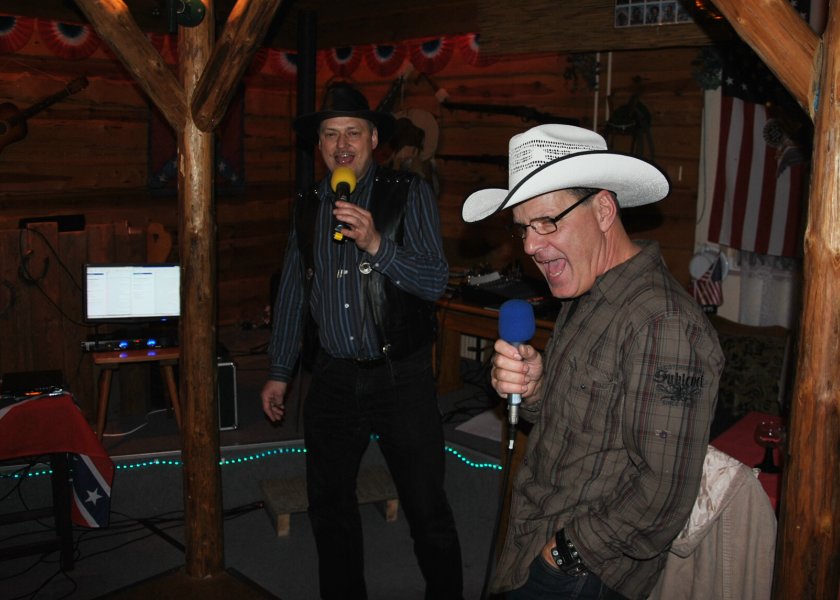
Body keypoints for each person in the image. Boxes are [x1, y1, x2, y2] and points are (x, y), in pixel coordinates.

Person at [461, 124, 724, 600]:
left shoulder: (663, 323)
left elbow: (663, 493)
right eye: (523, 227)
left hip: (581, 573)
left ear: (603, 210)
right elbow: (580, 423)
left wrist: (564, 554)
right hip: (536, 537)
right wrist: (537, 390)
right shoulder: (584, 293)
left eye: (548, 221)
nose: (529, 246)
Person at [261, 81, 463, 600]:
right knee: (330, 510)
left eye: (353, 132)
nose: (342, 144)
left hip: (401, 377)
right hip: (332, 379)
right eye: (331, 134)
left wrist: (377, 244)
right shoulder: (309, 204)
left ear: (374, 138)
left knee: (426, 508)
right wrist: (280, 370)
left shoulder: (408, 192)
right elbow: (293, 290)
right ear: (319, 145)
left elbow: (435, 280)